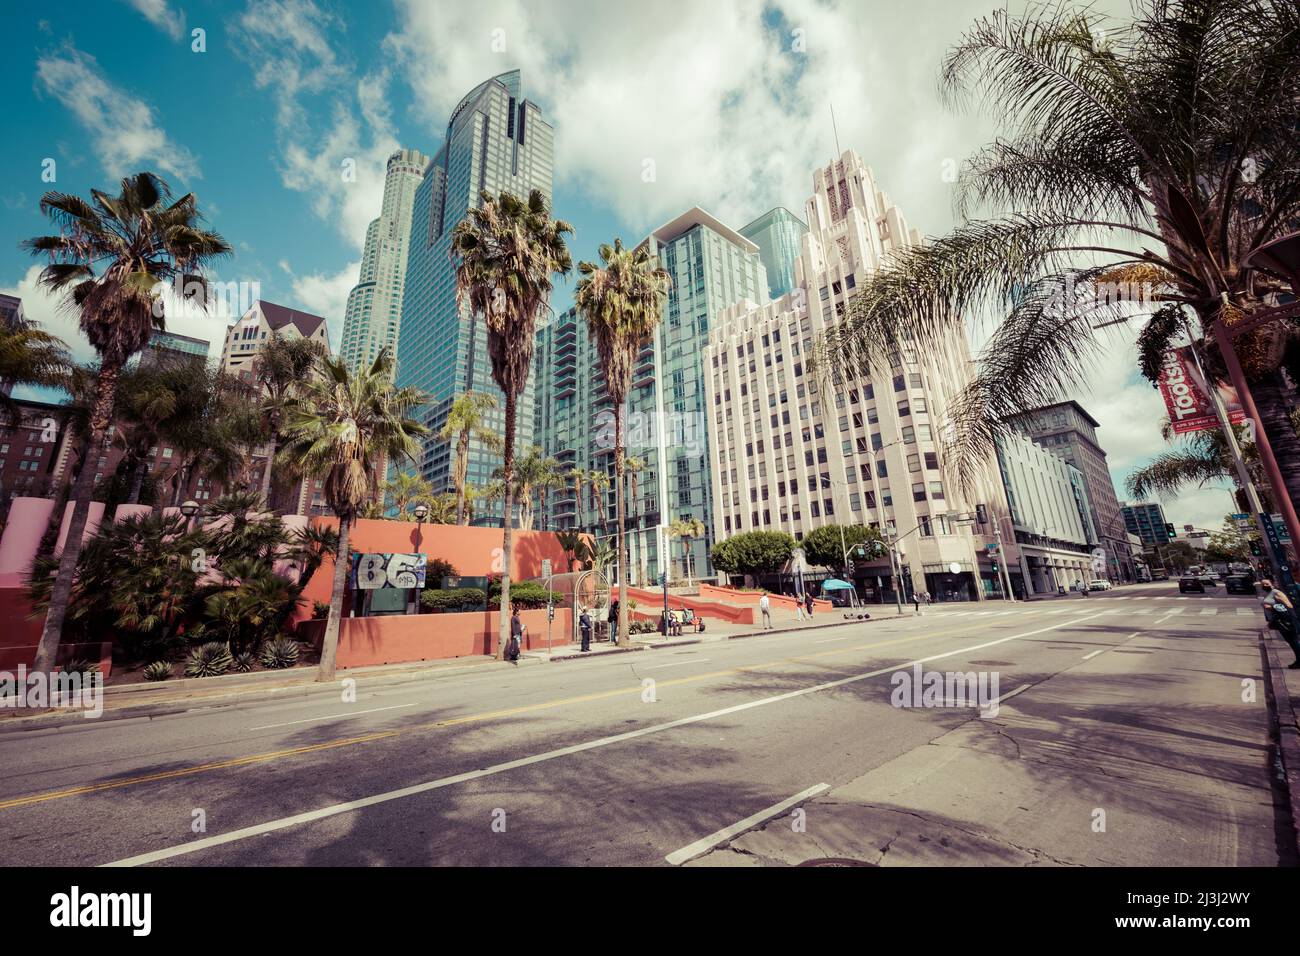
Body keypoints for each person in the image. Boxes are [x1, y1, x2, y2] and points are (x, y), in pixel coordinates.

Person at [1261, 578, 1300, 668]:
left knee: (1294, 641)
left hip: (1287, 621)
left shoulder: (1277, 593)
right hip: (1279, 622)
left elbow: (1289, 606)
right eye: (1262, 584)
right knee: (1291, 642)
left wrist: (1272, 606)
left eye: (1267, 584)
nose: (1264, 586)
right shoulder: (1268, 594)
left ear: (1272, 584)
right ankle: (1298, 661)